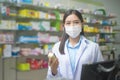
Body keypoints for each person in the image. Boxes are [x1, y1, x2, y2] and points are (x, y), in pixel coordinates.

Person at [46, 9, 104, 80]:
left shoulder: (93, 47)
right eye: (68, 23)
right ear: (64, 26)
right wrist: (53, 71)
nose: (72, 26)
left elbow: (102, 73)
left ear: (82, 24)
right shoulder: (56, 47)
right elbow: (50, 77)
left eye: (76, 22)